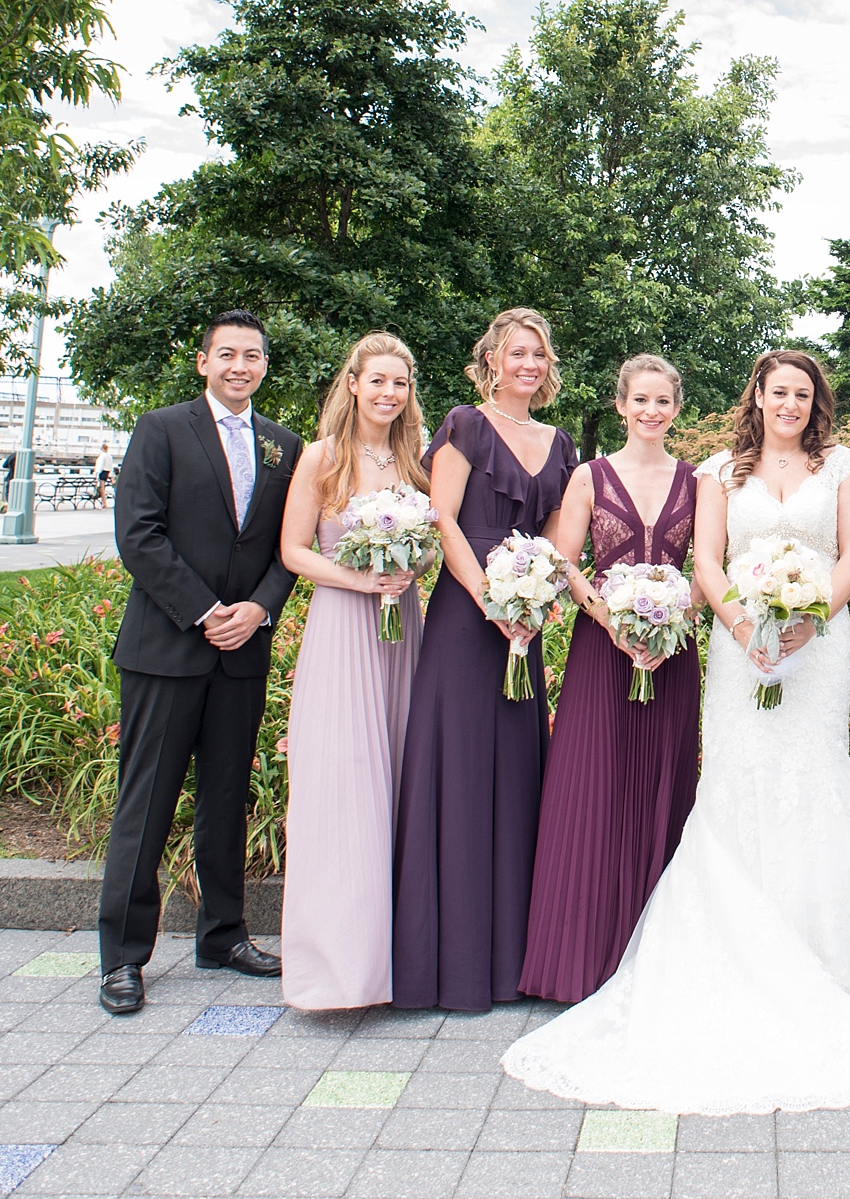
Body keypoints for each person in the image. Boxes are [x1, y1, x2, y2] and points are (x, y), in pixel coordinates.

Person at [502, 351, 850, 1113]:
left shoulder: (845, 466)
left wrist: (811, 620)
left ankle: (825, 961)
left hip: (818, 648)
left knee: (813, 775)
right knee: (736, 777)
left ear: (814, 400)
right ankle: (727, 950)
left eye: (802, 393)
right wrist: (739, 624)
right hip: (738, 646)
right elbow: (708, 558)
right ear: (756, 394)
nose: (788, 403)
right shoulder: (719, 470)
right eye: (776, 390)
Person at [97, 312, 302, 1016]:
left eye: (252, 356)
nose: (240, 365)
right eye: (227, 354)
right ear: (203, 362)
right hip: (167, 647)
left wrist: (259, 609)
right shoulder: (161, 430)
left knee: (224, 800)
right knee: (146, 804)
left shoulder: (283, 445)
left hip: (242, 651)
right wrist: (204, 608)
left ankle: (223, 935)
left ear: (265, 367)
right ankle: (122, 958)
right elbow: (138, 532)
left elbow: (287, 546)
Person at [391, 309, 578, 1012]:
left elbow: (559, 532)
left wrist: (537, 595)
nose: (528, 363)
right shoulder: (464, 425)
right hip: (468, 622)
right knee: (462, 775)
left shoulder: (558, 444)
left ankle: (511, 964)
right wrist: (490, 597)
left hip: (523, 624)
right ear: (492, 360)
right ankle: (453, 963)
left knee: (516, 775)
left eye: (538, 354)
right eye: (516, 353)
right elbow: (444, 517)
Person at [518, 354, 701, 1003]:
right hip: (603, 654)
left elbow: (705, 572)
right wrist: (613, 619)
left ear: (675, 409)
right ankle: (580, 958)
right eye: (640, 400)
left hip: (671, 658)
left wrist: (674, 617)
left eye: (663, 402)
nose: (651, 412)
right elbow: (564, 564)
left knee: (660, 790)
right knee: (594, 790)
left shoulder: (697, 481)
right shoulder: (589, 476)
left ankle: (656, 956)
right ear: (622, 406)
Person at [278, 334, 429, 1011]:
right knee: (343, 786)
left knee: (396, 778)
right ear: (354, 384)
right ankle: (336, 971)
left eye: (399, 383)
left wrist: (408, 571)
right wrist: (360, 581)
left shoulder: (413, 461)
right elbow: (291, 551)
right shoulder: (323, 457)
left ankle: (394, 959)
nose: (388, 394)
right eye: (378, 382)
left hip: (404, 632)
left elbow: (429, 544)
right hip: (344, 628)